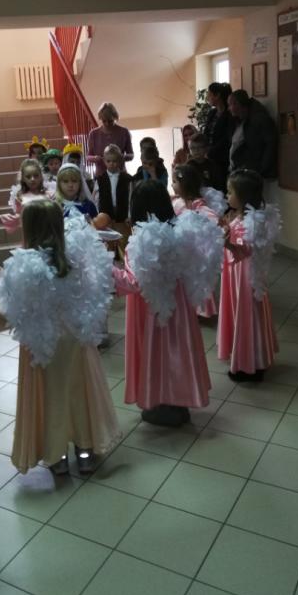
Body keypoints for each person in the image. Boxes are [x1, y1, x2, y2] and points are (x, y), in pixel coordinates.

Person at [0, 200, 120, 475]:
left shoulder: (22, 265)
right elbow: (93, 296)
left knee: (51, 397)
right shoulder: (76, 259)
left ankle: (57, 456)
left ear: (29, 229)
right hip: (75, 340)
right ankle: (85, 450)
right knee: (79, 393)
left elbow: (12, 315)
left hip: (42, 345)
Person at [112, 181, 222, 426]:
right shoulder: (181, 231)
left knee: (156, 352)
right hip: (179, 306)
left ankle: (160, 402)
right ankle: (179, 401)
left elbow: (134, 282)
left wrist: (106, 269)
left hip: (151, 310)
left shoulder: (142, 240)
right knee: (177, 350)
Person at [218, 169, 280, 382]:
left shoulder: (255, 221)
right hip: (235, 272)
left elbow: (248, 251)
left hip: (246, 275)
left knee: (248, 315)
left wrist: (228, 244)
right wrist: (228, 228)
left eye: (230, 192)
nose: (227, 196)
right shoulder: (240, 215)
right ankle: (243, 356)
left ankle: (252, 365)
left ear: (243, 195)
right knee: (239, 313)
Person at [171, 163, 226, 318]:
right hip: (181, 247)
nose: (172, 185)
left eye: (174, 182)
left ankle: (201, 309)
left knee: (196, 277)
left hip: (195, 249)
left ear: (184, 184)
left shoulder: (198, 205)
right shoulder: (177, 202)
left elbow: (212, 219)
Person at [0, 158, 51, 233]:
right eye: (28, 177)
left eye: (36, 176)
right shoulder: (21, 198)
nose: (32, 179)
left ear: (41, 176)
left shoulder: (48, 195)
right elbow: (16, 218)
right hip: (31, 235)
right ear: (23, 179)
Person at [227, 90, 278, 178]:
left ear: (237, 104)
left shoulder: (259, 119)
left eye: (230, 105)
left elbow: (270, 144)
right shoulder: (242, 120)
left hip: (256, 172)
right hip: (245, 169)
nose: (229, 108)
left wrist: (261, 169)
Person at [93, 144, 132, 258]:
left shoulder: (127, 178)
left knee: (124, 242)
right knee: (107, 245)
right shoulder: (100, 179)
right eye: (108, 161)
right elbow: (96, 198)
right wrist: (97, 215)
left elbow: (130, 198)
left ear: (120, 161)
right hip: (106, 217)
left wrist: (129, 215)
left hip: (122, 217)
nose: (112, 164)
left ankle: (125, 264)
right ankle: (110, 265)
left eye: (115, 161)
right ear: (104, 161)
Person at [86, 102, 134, 176]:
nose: (107, 124)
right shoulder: (93, 134)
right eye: (104, 121)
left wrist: (122, 157)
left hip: (120, 175)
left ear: (115, 118)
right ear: (100, 118)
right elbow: (88, 156)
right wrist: (95, 158)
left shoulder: (124, 132)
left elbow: (131, 155)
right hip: (101, 175)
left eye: (110, 121)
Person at [202, 82, 234, 189]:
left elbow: (226, 138)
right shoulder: (212, 113)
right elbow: (206, 133)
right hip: (209, 157)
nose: (208, 98)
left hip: (222, 158)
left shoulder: (229, 114)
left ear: (217, 95)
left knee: (221, 186)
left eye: (209, 94)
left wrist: (211, 152)